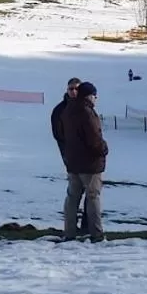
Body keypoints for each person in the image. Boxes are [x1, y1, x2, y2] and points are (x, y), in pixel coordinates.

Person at [60, 82, 108, 242]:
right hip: (90, 164)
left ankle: (69, 232)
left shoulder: (68, 110)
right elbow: (94, 138)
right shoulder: (87, 112)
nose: (96, 99)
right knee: (93, 197)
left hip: (73, 162)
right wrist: (103, 149)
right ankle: (96, 234)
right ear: (89, 95)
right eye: (95, 95)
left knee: (72, 198)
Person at [50, 78, 87, 234]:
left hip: (87, 157)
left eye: (76, 89)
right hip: (71, 157)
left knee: (89, 193)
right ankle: (71, 228)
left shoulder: (85, 107)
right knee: (74, 193)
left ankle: (86, 226)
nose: (73, 91)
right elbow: (59, 135)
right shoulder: (60, 110)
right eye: (70, 88)